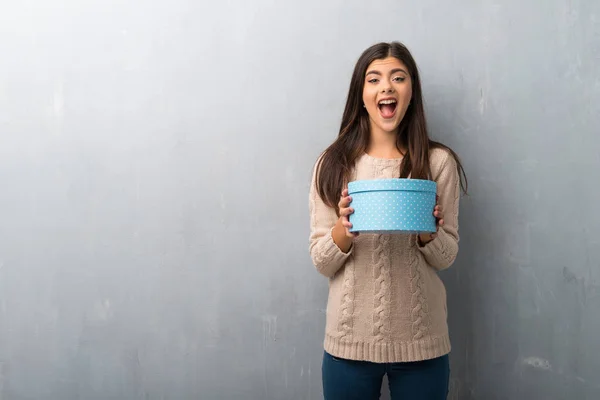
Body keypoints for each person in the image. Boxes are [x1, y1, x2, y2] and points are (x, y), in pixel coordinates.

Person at [308, 41, 468, 400]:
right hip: (348, 343)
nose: (387, 87)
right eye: (374, 78)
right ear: (361, 93)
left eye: (398, 77)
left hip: (422, 343)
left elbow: (447, 257)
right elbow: (321, 260)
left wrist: (430, 234)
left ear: (412, 91)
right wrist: (343, 229)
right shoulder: (332, 164)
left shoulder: (437, 163)